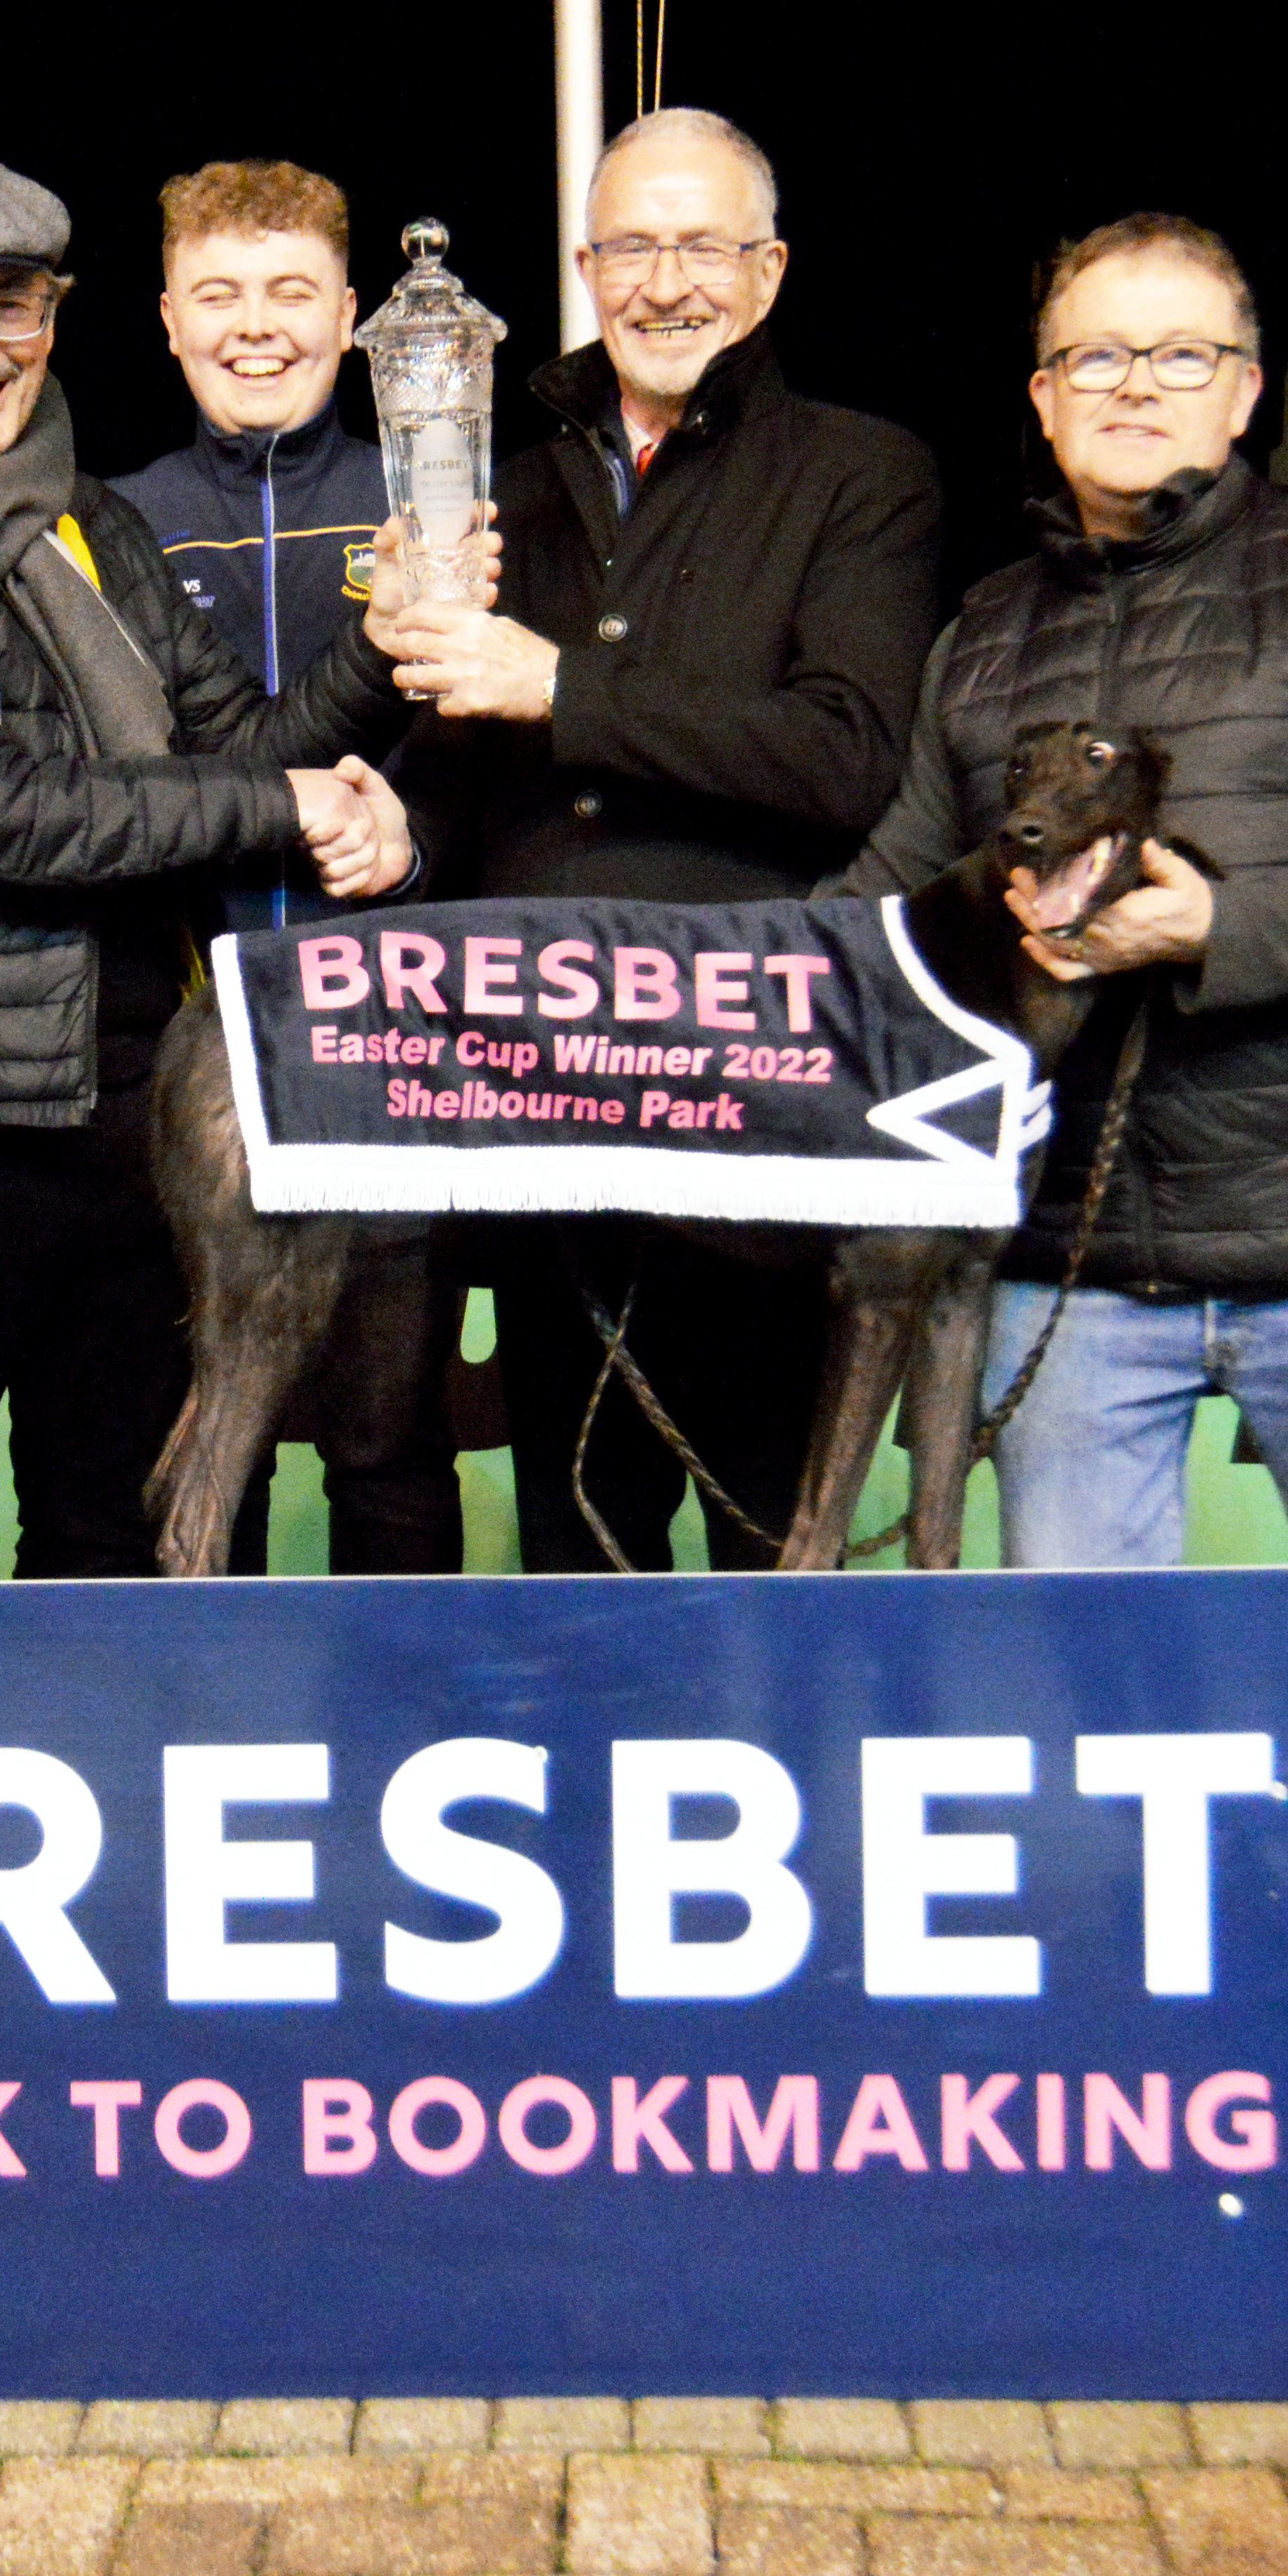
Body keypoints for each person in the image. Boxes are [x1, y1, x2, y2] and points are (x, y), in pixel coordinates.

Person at [0, 148, 425, 1581]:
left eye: (12, 306)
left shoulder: (86, 519)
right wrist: (286, 802)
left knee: (111, 1532)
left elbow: (242, 739)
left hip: (126, 1108)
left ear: (56, 310)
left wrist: (378, 662)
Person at [834, 216, 1288, 1575]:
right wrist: (665, 993)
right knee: (1087, 1718)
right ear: (1041, 399)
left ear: (1248, 389)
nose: (1134, 384)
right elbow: (885, 896)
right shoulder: (981, 633)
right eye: (1094, 357)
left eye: (1180, 353)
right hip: (1067, 1272)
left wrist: (1219, 928)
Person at [387, 107, 941, 1573]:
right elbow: (461, 749)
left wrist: (559, 685)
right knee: (575, 1535)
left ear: (765, 274)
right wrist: (387, 810)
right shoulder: (504, 476)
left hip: (749, 1091)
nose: (665, 280)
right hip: (538, 1076)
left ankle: (780, 1792)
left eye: (701, 245)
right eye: (632, 245)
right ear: (585, 265)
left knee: (766, 1518)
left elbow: (844, 754)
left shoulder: (860, 474)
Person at [108, 158, 464, 1577]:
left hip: (392, 1042)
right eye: (218, 294)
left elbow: (492, 747)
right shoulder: (112, 516)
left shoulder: (427, 506)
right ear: (168, 319)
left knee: (389, 1435)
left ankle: (411, 1750)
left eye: (290, 293)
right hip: (176, 1049)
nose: (255, 326)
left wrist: (415, 831)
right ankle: (215, 1739)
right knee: (208, 1436)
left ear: (350, 316)